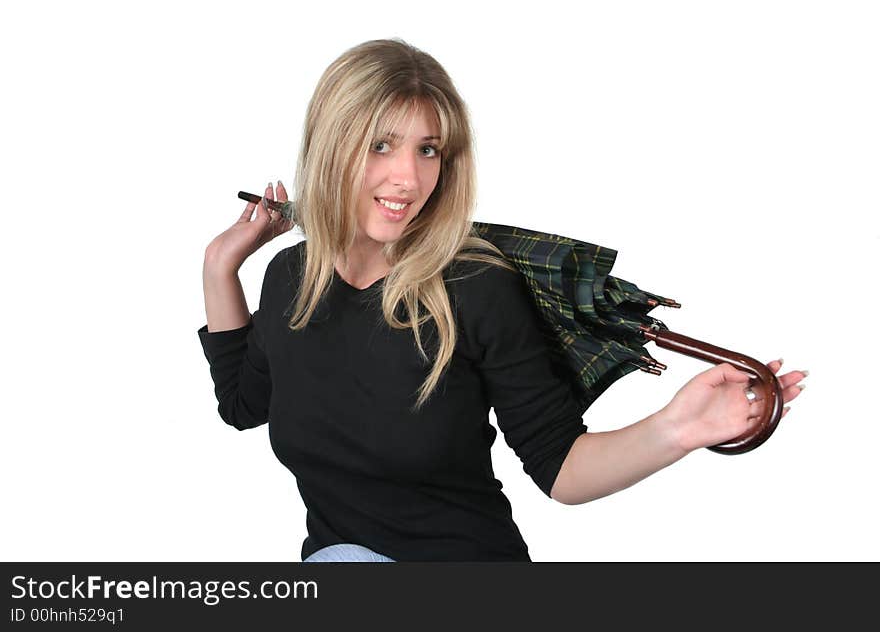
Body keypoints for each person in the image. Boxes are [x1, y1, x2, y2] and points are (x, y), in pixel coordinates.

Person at [198, 38, 808, 562]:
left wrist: (677, 429)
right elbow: (243, 403)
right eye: (381, 145)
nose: (408, 178)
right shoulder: (289, 280)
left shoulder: (472, 288)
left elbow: (559, 466)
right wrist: (221, 265)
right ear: (332, 146)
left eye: (428, 149)